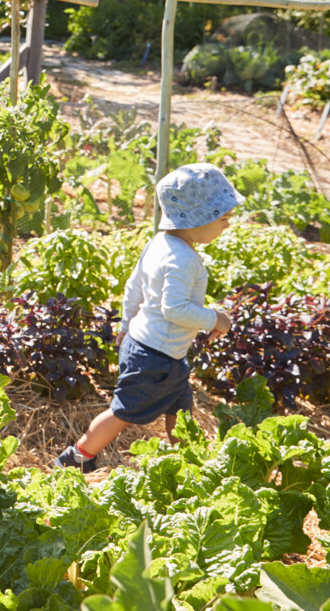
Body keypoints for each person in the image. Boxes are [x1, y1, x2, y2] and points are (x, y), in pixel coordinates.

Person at [54, 164, 243, 472]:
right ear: (197, 218)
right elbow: (175, 309)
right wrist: (215, 319)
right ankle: (76, 457)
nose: (226, 225)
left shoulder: (159, 244)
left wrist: (126, 325)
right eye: (222, 218)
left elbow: (133, 288)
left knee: (181, 411)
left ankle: (188, 464)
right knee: (124, 412)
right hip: (155, 357)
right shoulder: (183, 260)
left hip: (157, 350)